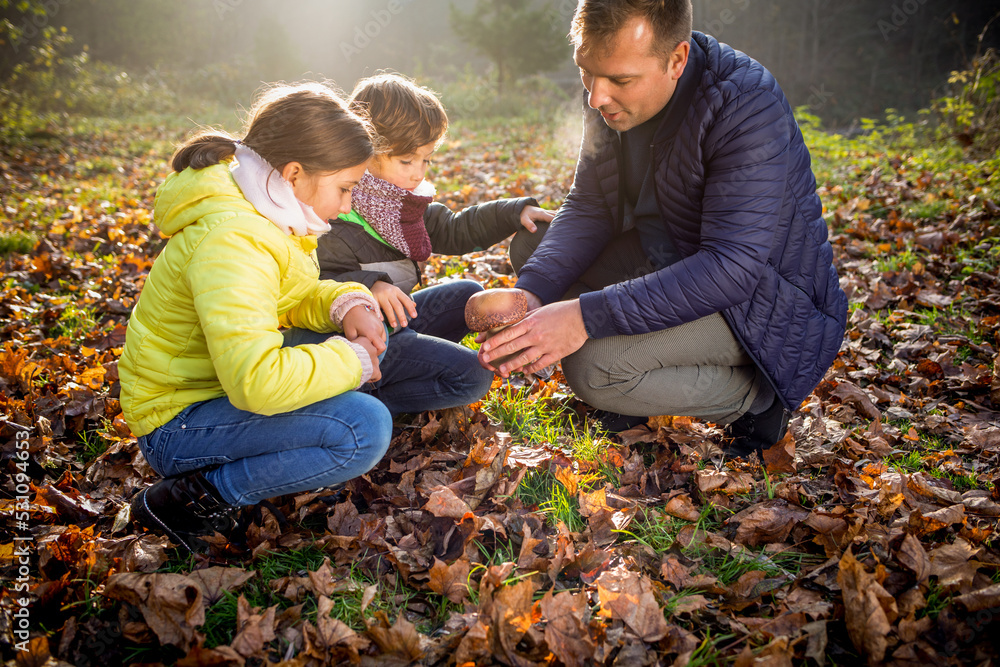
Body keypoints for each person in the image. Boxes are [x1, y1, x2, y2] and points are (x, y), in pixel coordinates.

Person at [480, 0, 848, 455]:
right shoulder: (606, 93)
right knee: (531, 252)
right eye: (586, 72)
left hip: (758, 301)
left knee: (593, 368)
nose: (596, 97)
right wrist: (533, 292)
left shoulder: (745, 104)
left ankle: (754, 402)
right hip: (667, 253)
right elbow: (591, 202)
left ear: (676, 60)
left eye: (620, 80)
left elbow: (731, 267)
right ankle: (639, 380)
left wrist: (585, 316)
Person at [121, 82, 393, 553]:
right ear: (293, 173)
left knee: (339, 372)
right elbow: (256, 382)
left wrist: (345, 302)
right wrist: (352, 362)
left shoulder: (262, 210)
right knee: (362, 428)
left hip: (210, 393)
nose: (347, 206)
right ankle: (194, 498)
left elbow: (289, 297)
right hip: (176, 425)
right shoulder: (235, 240)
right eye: (345, 189)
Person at [304, 73, 554, 415]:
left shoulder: (403, 207)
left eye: (426, 159)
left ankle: (414, 363)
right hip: (357, 343)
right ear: (366, 150)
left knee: (468, 293)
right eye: (406, 161)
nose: (418, 172)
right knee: (473, 376)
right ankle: (370, 401)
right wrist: (368, 287)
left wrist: (513, 212)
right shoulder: (336, 210)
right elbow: (311, 283)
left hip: (397, 323)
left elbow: (455, 228)